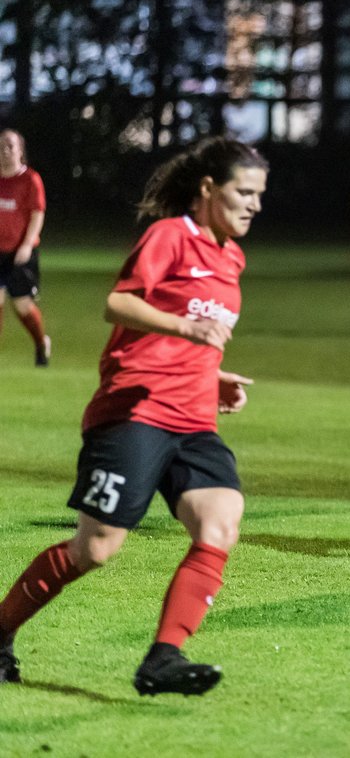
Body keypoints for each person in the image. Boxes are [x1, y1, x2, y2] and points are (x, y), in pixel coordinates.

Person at [0, 136, 267, 695]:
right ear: (208, 189)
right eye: (244, 192)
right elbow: (119, 303)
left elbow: (198, 331)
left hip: (193, 420)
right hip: (135, 412)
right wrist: (186, 329)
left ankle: (163, 659)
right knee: (95, 548)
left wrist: (211, 375)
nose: (254, 205)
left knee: (220, 521)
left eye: (259, 195)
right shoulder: (170, 236)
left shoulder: (231, 256)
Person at [0, 129, 52, 366]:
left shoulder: (30, 179)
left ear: (20, 151)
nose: (5, 151)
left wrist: (27, 245)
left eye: (10, 146)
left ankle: (41, 343)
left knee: (22, 306)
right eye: (1, 146)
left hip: (20, 252)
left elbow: (37, 214)